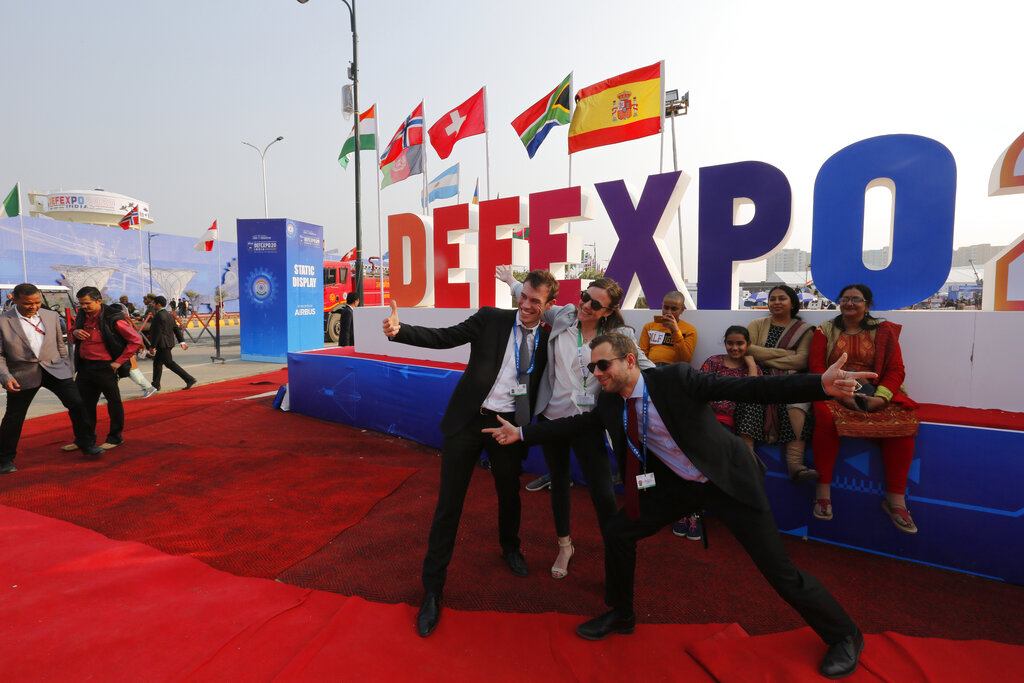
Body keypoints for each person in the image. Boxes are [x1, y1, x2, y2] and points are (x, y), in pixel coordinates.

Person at [485, 333, 873, 679]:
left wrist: (819, 384)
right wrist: (521, 432)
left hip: (726, 480)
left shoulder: (676, 380)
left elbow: (750, 390)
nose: (597, 373)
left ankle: (845, 635)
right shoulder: (607, 403)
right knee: (619, 531)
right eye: (592, 367)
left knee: (780, 572)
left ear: (629, 361)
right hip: (676, 485)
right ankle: (621, 614)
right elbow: (573, 426)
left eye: (603, 365)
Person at [382, 269, 557, 638]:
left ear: (548, 306)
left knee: (509, 493)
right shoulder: (491, 318)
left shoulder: (548, 338)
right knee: (449, 505)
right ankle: (432, 590)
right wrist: (402, 331)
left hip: (506, 426)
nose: (525, 305)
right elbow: (445, 338)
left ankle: (510, 547)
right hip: (466, 423)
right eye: (523, 296)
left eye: (534, 301)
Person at [497, 266, 652, 580]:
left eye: (595, 304)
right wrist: (513, 282)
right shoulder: (565, 316)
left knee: (602, 493)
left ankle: (615, 552)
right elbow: (535, 302)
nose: (585, 306)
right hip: (552, 417)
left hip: (588, 423)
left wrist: (675, 383)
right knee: (559, 483)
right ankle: (564, 545)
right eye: (585, 297)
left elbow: (645, 366)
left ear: (609, 311)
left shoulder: (619, 338)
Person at [809, 284, 920, 533]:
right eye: (845, 298)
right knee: (825, 418)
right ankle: (822, 492)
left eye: (856, 299)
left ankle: (895, 501)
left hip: (874, 392)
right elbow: (816, 368)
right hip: (833, 391)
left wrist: (880, 398)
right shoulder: (824, 330)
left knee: (903, 422)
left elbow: (896, 369)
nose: (849, 303)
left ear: (867, 305)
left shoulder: (883, 331)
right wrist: (843, 395)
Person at [0, 284, 103, 472]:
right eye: (28, 303)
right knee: (14, 418)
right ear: (14, 299)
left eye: (37, 302)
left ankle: (86, 443)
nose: (34, 307)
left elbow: (60, 344)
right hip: (22, 375)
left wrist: (67, 366)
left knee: (78, 405)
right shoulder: (3, 321)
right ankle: (5, 460)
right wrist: (5, 377)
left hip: (55, 369)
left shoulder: (51, 316)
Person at [747, 285, 818, 483]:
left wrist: (765, 356)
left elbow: (802, 361)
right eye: (773, 299)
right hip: (759, 375)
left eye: (782, 298)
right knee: (747, 401)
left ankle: (795, 465)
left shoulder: (804, 331)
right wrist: (785, 353)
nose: (776, 302)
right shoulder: (757, 323)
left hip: (791, 379)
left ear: (792, 303)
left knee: (799, 404)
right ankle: (747, 462)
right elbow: (748, 350)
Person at [65, 287, 142, 452]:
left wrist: (119, 362)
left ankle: (115, 438)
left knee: (113, 403)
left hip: (106, 367)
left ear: (99, 301)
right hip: (85, 367)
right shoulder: (81, 316)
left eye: (87, 303)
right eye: (81, 304)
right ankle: (84, 439)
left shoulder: (113, 317)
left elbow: (135, 339)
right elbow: (70, 334)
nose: (83, 307)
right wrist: (76, 331)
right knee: (83, 405)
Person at [149, 296, 197, 391]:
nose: (153, 305)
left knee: (169, 363)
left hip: (163, 344)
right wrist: (182, 341)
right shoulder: (169, 315)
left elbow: (157, 332)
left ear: (158, 304)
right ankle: (156, 384)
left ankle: (189, 379)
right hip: (169, 343)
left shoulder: (158, 316)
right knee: (157, 363)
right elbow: (176, 329)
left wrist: (153, 346)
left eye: (154, 303)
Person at [637, 290, 697, 366]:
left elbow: (686, 360)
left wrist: (675, 331)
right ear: (662, 306)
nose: (669, 312)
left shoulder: (690, 330)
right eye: (666, 308)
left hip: (674, 369)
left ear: (681, 310)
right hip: (652, 368)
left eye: (674, 309)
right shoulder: (649, 327)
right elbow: (642, 354)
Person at [112, 301, 158, 399]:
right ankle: (112, 392)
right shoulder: (122, 321)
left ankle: (148, 387)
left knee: (132, 371)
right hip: (120, 351)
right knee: (115, 373)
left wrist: (142, 346)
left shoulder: (122, 322)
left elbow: (135, 336)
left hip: (126, 352)